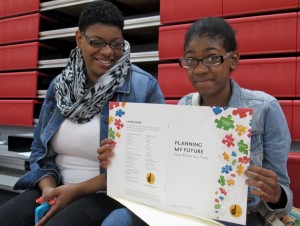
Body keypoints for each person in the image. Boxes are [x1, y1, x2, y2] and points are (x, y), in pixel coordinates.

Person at [98, 17, 293, 226]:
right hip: (187, 213)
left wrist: (276, 194)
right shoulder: (185, 106)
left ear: (233, 60)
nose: (199, 69)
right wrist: (121, 158)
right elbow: (165, 171)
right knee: (118, 220)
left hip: (241, 217)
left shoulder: (264, 109)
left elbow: (284, 199)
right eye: (191, 60)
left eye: (212, 58)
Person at [0, 1, 164, 226]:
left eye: (116, 43)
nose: (107, 52)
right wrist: (49, 188)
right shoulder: (59, 86)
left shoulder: (142, 87)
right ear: (79, 39)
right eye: (97, 42)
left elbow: (154, 163)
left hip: (106, 193)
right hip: (57, 184)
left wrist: (76, 191)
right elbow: (39, 149)